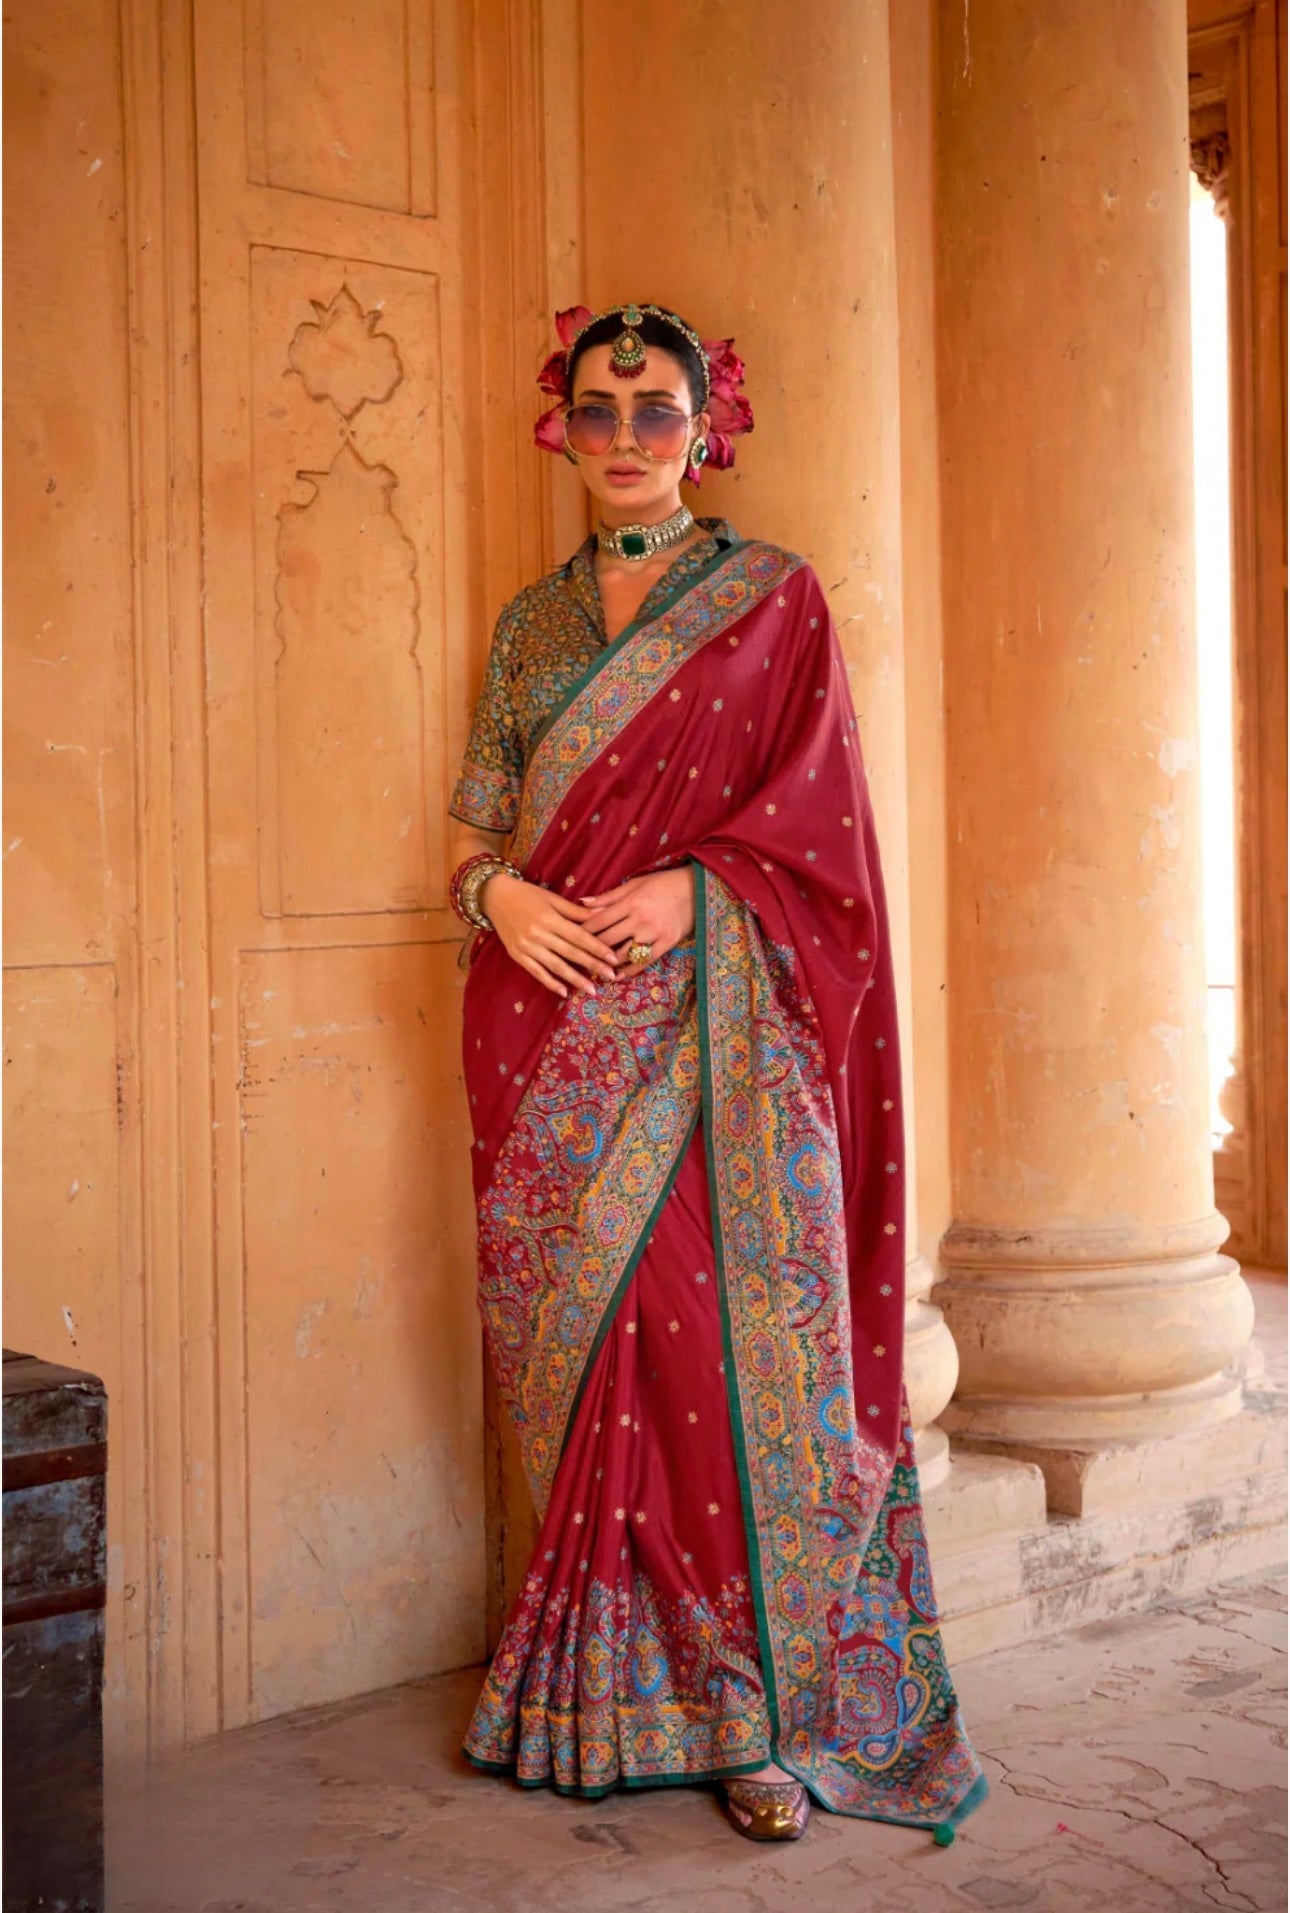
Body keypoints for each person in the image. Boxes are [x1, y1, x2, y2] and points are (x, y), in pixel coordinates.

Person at [447, 301, 989, 1845]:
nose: (624, 438)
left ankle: (751, 1706)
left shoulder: (772, 601)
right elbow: (472, 832)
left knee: (714, 1359)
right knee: (582, 1359)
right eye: (597, 408)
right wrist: (498, 898)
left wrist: (696, 889)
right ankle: (586, 1694)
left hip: (716, 1038)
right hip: (540, 1028)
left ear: (706, 427)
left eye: (654, 410)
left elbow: (826, 835)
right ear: (559, 423)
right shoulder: (527, 627)